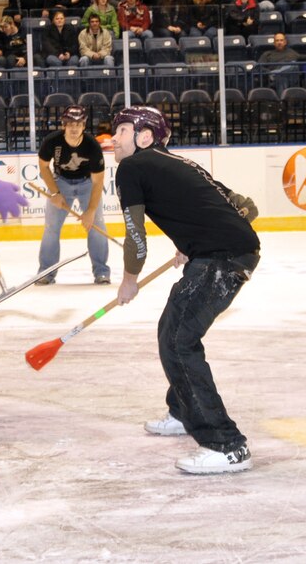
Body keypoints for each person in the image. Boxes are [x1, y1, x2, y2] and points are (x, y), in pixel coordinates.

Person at [111, 105, 260, 474]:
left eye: (123, 131)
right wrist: (195, 235)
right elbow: (246, 207)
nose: (114, 138)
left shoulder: (132, 167)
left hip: (220, 259)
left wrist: (129, 280)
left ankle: (225, 444)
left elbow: (136, 239)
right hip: (226, 252)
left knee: (178, 340)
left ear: (145, 137)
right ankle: (182, 410)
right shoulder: (180, 163)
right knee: (175, 333)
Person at [36, 105, 110, 285]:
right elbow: (44, 167)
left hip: (87, 184)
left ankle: (101, 272)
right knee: (51, 227)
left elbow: (98, 181)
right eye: (70, 124)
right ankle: (46, 272)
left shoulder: (92, 146)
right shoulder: (52, 142)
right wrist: (55, 192)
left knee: (97, 224)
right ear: (64, 125)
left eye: (78, 124)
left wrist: (91, 211)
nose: (74, 128)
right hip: (61, 182)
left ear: (84, 125)